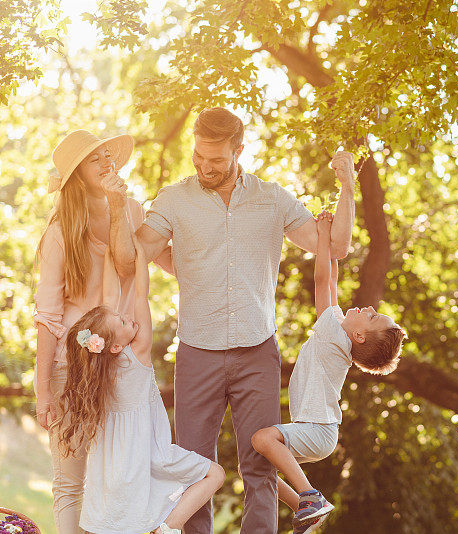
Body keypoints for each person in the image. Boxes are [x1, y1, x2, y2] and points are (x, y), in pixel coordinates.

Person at [104, 107, 357, 533]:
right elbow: (130, 261)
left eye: (216, 160)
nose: (205, 167)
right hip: (197, 351)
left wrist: (347, 187)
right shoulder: (173, 200)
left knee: (258, 466)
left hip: (258, 351)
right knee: (193, 468)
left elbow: (334, 247)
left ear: (239, 151)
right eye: (198, 157)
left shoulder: (271, 199)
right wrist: (115, 206)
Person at [33, 129, 172, 533]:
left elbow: (130, 267)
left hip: (120, 365)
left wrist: (117, 206)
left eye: (107, 154)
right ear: (77, 175)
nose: (106, 161)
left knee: (125, 477)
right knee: (70, 481)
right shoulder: (59, 233)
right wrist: (45, 391)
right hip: (70, 366)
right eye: (95, 159)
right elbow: (47, 317)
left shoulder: (130, 209)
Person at [50, 242, 224, 534]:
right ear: (116, 345)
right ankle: (168, 526)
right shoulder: (138, 352)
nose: (128, 317)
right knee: (215, 474)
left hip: (112, 467)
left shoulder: (101, 371)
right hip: (147, 455)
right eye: (122, 321)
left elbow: (109, 297)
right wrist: (143, 256)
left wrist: (109, 256)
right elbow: (141, 295)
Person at [251, 210, 405, 534]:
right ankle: (305, 511)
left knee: (262, 439)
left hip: (319, 430)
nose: (371, 309)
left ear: (359, 336)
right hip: (320, 432)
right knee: (255, 467)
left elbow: (323, 281)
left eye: (373, 317)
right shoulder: (337, 332)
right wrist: (332, 247)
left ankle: (310, 498)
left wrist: (322, 235)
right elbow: (331, 280)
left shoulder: (335, 337)